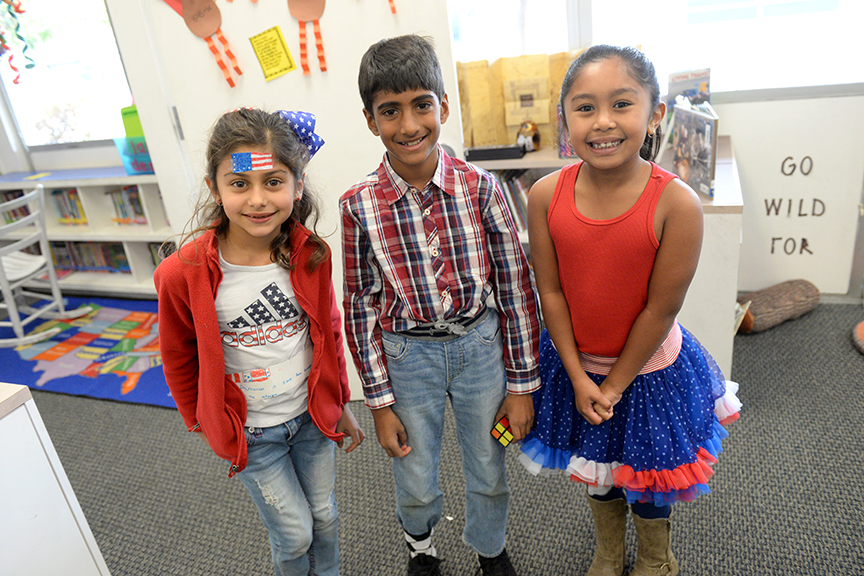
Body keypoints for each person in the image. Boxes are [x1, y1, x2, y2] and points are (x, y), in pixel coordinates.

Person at [518, 45, 741, 576]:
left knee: (649, 474)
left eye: (621, 104)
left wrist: (614, 386)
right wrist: (579, 379)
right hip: (576, 366)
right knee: (597, 466)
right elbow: (550, 292)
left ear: (655, 113)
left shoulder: (677, 203)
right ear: (564, 117)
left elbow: (660, 311)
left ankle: (657, 558)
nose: (603, 122)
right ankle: (609, 552)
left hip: (649, 372)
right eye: (585, 107)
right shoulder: (545, 196)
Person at [340, 34, 541, 576]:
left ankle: (490, 550)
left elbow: (517, 287)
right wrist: (379, 403)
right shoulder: (358, 205)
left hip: (481, 348)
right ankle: (421, 549)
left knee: (489, 466)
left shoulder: (483, 189)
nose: (409, 125)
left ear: (443, 107)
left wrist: (522, 384)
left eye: (421, 105)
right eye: (390, 111)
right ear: (370, 120)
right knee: (414, 471)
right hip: (407, 358)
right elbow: (359, 304)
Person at [155, 107, 365, 576]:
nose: (257, 199)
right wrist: (201, 419)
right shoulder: (182, 274)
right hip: (252, 433)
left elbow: (328, 330)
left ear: (298, 183)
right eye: (239, 184)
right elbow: (177, 354)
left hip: (312, 419)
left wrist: (340, 400)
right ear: (214, 188)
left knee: (325, 516)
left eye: (273, 182)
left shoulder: (310, 254)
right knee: (295, 534)